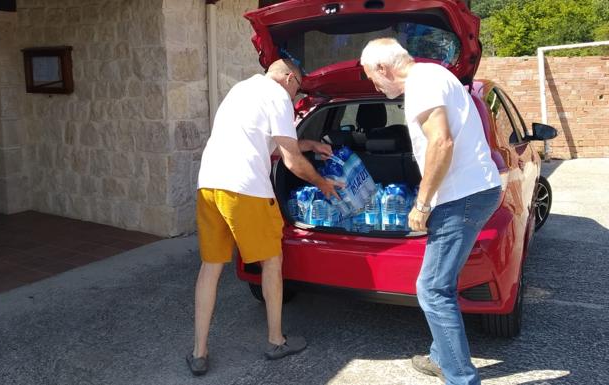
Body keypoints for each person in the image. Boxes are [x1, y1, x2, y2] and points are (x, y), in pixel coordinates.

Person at [187, 58, 342, 376]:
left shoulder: (241, 90)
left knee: (211, 268)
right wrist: (323, 183)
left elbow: (265, 141)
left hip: (209, 185)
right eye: (298, 91)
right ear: (289, 78)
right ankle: (276, 341)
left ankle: (198, 352)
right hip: (246, 191)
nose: (297, 99)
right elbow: (289, 159)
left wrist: (310, 142)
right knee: (271, 262)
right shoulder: (277, 96)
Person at [360, 38, 501, 385]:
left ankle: (461, 378)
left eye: (371, 77)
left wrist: (422, 204)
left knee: (433, 289)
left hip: (461, 196)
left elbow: (441, 142)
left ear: (383, 67)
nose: (373, 85)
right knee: (440, 282)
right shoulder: (434, 76)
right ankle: (441, 356)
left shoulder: (422, 83)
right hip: (470, 192)